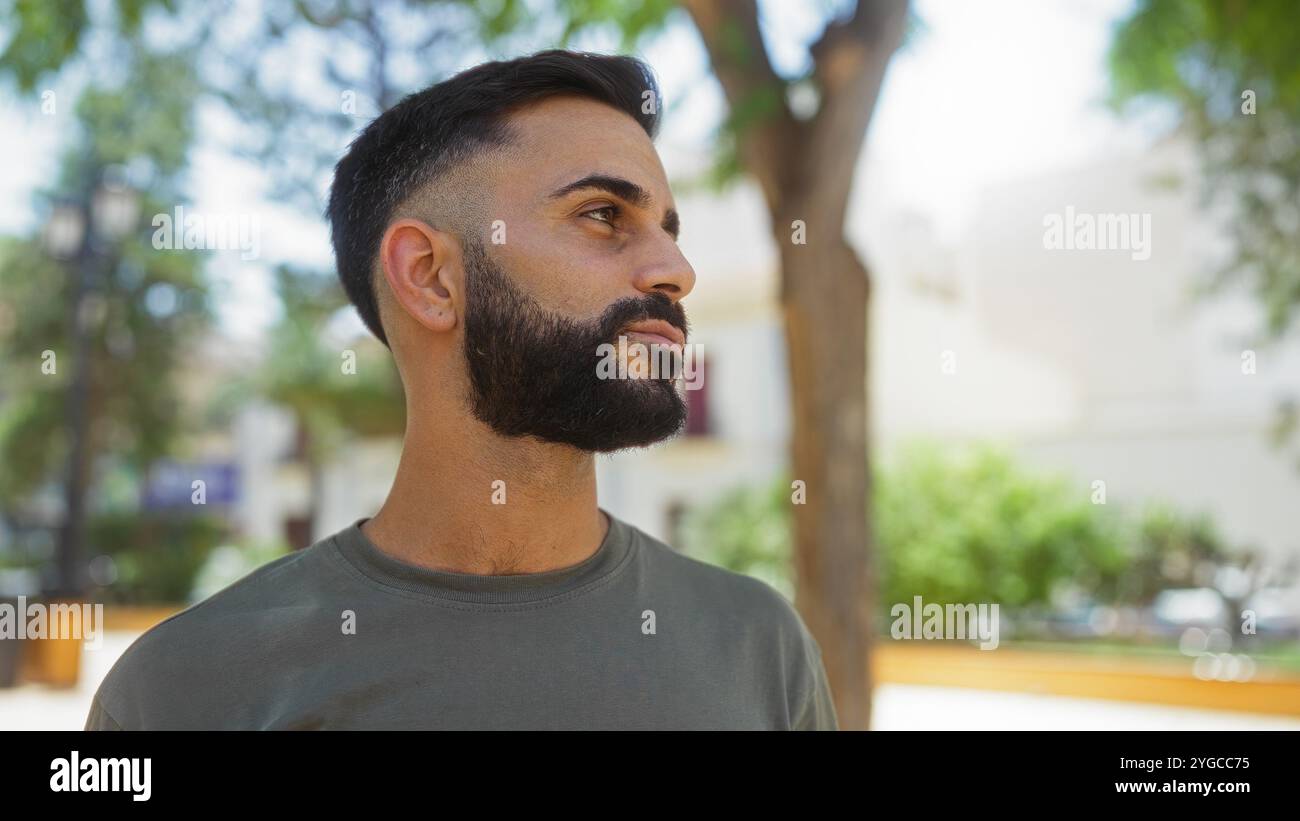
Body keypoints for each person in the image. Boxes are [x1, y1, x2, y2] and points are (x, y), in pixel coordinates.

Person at [85, 49, 838, 730]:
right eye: (603, 215)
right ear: (431, 277)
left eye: (668, 228)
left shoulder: (762, 651)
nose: (676, 269)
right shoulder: (179, 694)